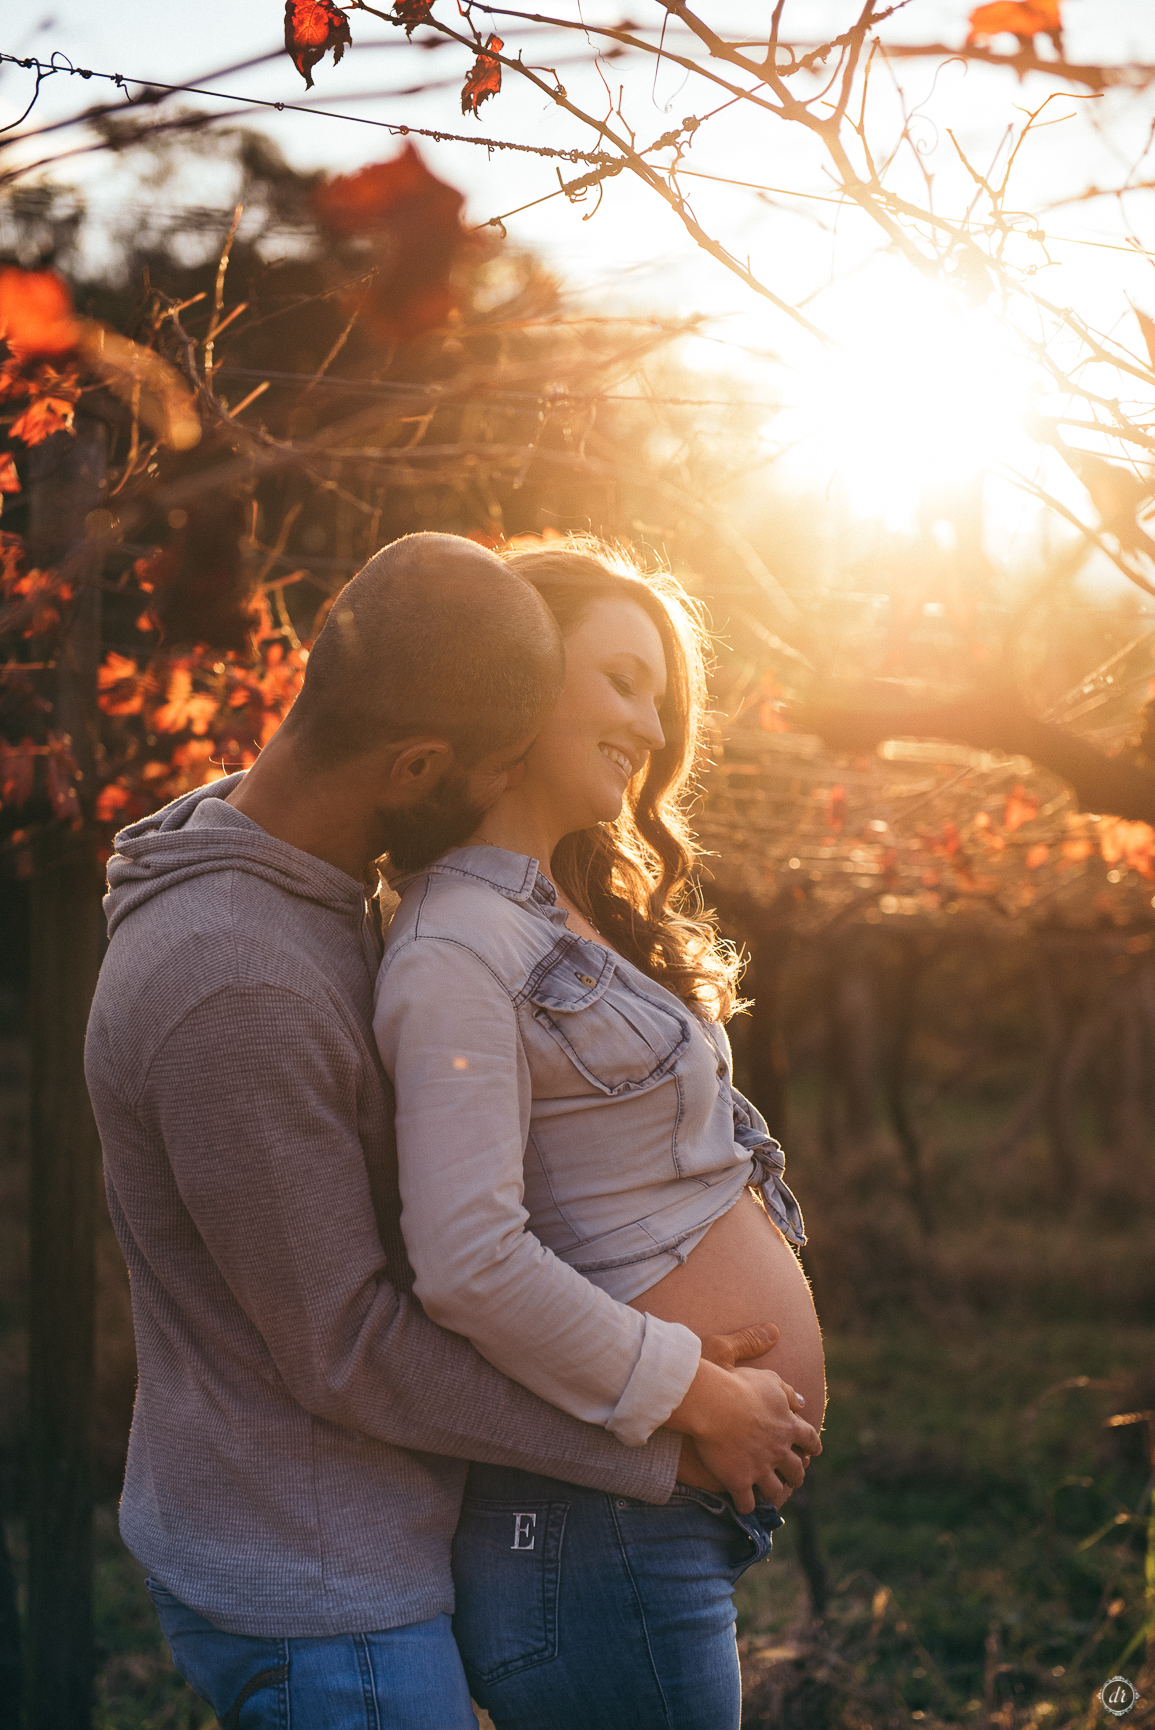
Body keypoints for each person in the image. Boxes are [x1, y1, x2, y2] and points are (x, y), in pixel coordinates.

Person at [85, 532, 819, 1730]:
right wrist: (676, 1415)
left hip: (384, 1549)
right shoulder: (239, 980)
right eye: (495, 765)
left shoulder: (300, 888)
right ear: (421, 763)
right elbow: (351, 1346)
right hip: (327, 1590)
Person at [374, 538, 826, 1730]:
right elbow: (468, 1260)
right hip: (591, 1529)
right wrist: (702, 1395)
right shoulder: (456, 944)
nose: (651, 724)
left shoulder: (559, 909)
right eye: (622, 679)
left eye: (659, 698)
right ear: (520, 675)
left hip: (639, 1527)